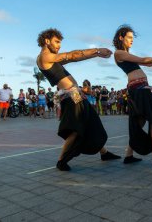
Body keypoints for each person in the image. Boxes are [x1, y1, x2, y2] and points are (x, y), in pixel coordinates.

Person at [36, 28, 120, 171]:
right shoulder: (45, 57)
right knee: (76, 129)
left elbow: (74, 58)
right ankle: (61, 160)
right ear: (46, 41)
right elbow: (72, 55)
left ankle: (104, 153)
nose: (59, 45)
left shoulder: (53, 58)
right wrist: (97, 51)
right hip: (70, 96)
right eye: (56, 42)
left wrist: (81, 90)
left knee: (92, 124)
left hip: (75, 93)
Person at [113, 25, 152, 165]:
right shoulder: (119, 53)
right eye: (129, 37)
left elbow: (148, 65)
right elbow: (144, 60)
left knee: (141, 121)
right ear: (121, 38)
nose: (131, 40)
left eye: (132, 38)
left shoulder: (128, 57)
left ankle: (129, 155)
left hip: (141, 88)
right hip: (139, 89)